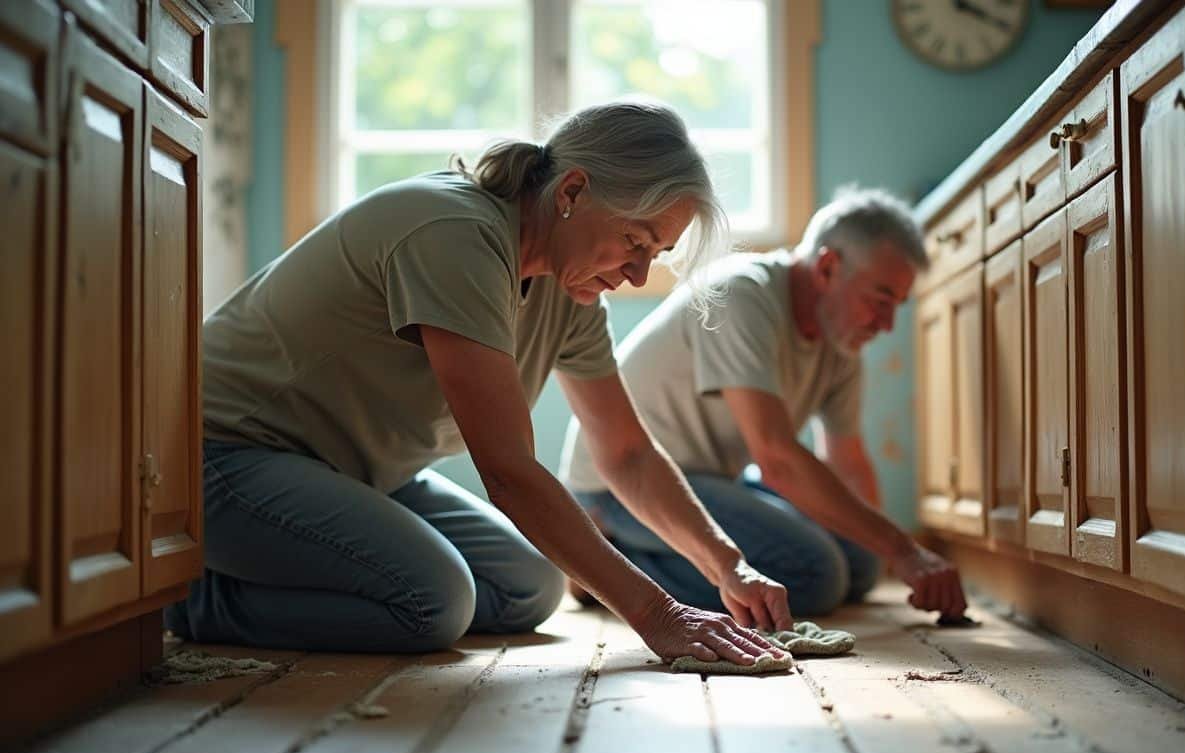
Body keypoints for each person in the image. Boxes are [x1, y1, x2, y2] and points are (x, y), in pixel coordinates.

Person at [166, 101, 793, 667]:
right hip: (224, 455)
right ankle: (189, 600)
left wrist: (729, 567)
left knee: (528, 585)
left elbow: (626, 453)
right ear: (572, 190)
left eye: (653, 255)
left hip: (351, 470)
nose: (634, 274)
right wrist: (660, 616)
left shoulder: (569, 292)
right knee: (433, 601)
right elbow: (509, 469)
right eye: (634, 241)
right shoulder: (456, 234)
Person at [561, 186, 968, 619]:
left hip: (714, 482)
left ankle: (649, 555)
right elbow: (777, 459)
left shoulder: (841, 342)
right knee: (818, 575)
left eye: (897, 307)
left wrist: (897, 558)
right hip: (619, 486)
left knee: (862, 564)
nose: (886, 325)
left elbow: (848, 463)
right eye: (880, 300)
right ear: (828, 267)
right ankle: (600, 564)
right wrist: (906, 549)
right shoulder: (742, 295)